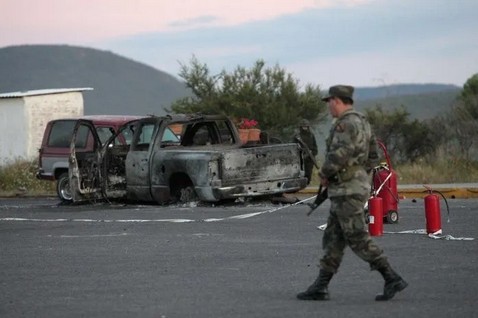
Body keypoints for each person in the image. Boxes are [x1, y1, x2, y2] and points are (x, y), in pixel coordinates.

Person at [297, 85, 407, 301]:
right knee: (333, 238)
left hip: (347, 190)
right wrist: (360, 176)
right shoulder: (363, 122)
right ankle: (320, 286)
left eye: (329, 102)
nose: (329, 106)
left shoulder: (345, 123)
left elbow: (339, 154)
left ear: (337, 101)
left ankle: (391, 276)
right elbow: (373, 156)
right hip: (351, 187)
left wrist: (327, 173)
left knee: (356, 236)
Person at [294, 119, 318, 185]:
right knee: (301, 175)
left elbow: (315, 148)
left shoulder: (311, 135)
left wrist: (311, 153)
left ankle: (307, 184)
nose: (305, 128)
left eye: (306, 127)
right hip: (300, 159)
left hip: (309, 160)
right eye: (303, 127)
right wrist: (301, 153)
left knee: (308, 174)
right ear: (300, 127)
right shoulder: (297, 136)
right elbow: (294, 148)